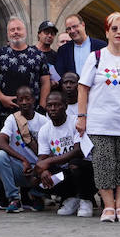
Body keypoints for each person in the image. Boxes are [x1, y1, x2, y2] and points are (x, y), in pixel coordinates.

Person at [78, 12, 120, 223]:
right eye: (114, 29)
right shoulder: (96, 57)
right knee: (103, 164)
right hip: (101, 123)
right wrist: (82, 116)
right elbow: (83, 88)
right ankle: (108, 206)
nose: (119, 32)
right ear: (107, 32)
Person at [34, 88, 95, 216]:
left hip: (86, 170)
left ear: (65, 106)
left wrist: (49, 161)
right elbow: (41, 160)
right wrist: (43, 170)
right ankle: (71, 198)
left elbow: (78, 151)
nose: (53, 108)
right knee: (38, 180)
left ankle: (85, 200)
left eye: (57, 105)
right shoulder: (45, 129)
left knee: (75, 164)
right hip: (65, 173)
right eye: (50, 105)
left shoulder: (75, 123)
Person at [0, 18, 51, 129]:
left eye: (19, 29)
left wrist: (42, 107)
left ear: (25, 32)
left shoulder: (39, 55)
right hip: (5, 112)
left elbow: (46, 82)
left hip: (33, 112)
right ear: (8, 34)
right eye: (12, 30)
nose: (16, 32)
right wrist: (2, 98)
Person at [0, 85, 48, 213]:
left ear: (34, 99)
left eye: (27, 99)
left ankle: (37, 195)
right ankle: (14, 199)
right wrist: (23, 159)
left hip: (39, 170)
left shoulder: (44, 121)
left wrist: (38, 168)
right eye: (21, 99)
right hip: (21, 168)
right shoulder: (12, 119)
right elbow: (0, 142)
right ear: (17, 102)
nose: (24, 102)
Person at [54, 14, 105, 78]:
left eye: (75, 26)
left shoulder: (101, 46)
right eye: (69, 29)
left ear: (83, 25)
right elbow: (60, 74)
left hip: (96, 87)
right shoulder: (63, 50)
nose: (72, 31)